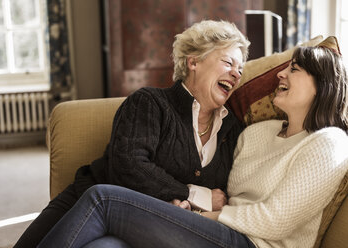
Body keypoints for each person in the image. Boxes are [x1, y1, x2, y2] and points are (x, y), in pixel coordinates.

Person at [37, 46, 348, 248]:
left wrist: (201, 217)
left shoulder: (329, 142)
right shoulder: (256, 133)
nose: (281, 73)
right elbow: (223, 189)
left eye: (294, 69)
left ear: (323, 84)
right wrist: (188, 207)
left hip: (252, 244)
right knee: (103, 247)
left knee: (102, 198)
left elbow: (274, 220)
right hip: (217, 231)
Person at [15, 20, 251, 247]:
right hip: (86, 204)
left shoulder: (232, 129)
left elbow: (224, 194)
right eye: (228, 63)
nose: (236, 74)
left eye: (239, 69)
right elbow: (128, 166)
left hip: (145, 229)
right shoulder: (150, 102)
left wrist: (185, 207)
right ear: (194, 62)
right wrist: (193, 194)